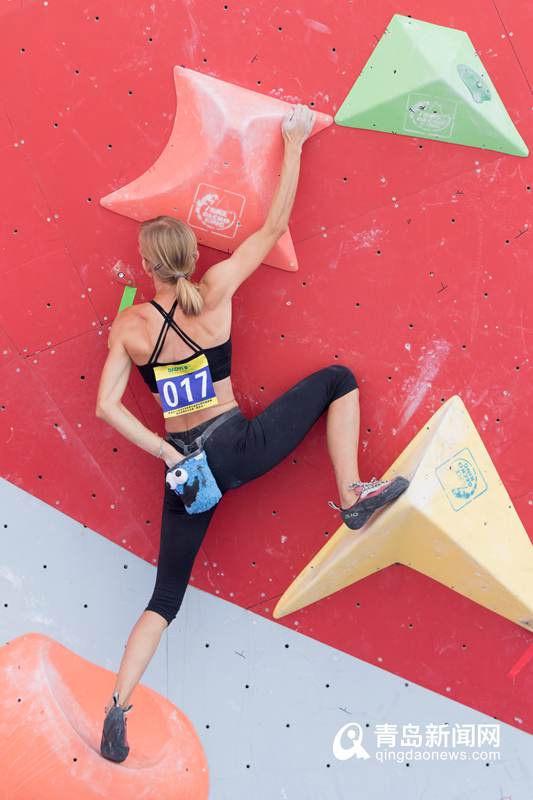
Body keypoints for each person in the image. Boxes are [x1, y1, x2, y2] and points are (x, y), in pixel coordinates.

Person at [95, 104, 409, 762]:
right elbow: (272, 227)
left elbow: (106, 407)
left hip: (186, 473)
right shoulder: (214, 290)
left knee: (165, 599)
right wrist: (293, 143)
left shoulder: (129, 328)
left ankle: (117, 709)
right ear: (190, 257)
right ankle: (351, 497)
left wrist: (165, 451)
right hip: (238, 449)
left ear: (146, 264)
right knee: (338, 379)